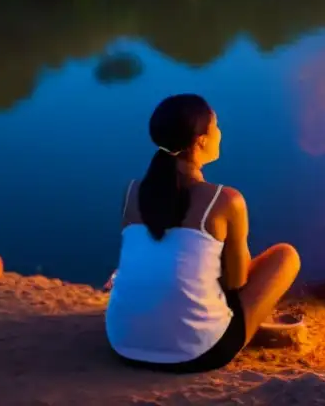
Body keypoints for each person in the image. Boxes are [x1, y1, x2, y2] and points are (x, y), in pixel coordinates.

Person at [105, 94, 300, 373]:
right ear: (201, 141)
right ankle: (233, 327)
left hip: (123, 344)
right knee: (285, 257)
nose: (220, 133)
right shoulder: (226, 200)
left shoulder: (132, 192)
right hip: (197, 353)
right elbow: (236, 281)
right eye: (216, 126)